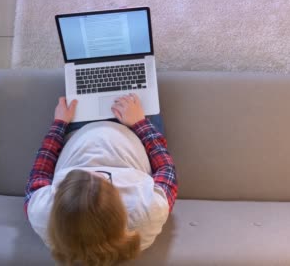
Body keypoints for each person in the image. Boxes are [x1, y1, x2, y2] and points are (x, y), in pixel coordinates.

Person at [24, 94, 177, 266]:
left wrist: (59, 124)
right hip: (134, 130)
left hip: (77, 130)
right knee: (137, 75)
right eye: (104, 179)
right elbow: (166, 170)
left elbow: (40, 174)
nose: (94, 170)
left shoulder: (42, 213)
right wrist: (140, 124)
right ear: (120, 209)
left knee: (80, 76)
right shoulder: (148, 211)